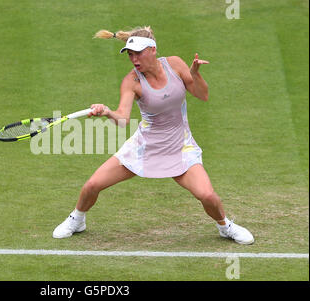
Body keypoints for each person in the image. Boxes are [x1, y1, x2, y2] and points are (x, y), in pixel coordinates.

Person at [53, 26, 254, 245]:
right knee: (92, 185)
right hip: (144, 147)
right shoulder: (132, 81)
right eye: (130, 54)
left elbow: (202, 95)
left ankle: (225, 226)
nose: (134, 59)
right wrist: (107, 112)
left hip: (180, 147)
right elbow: (123, 119)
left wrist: (194, 75)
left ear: (153, 50)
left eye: (138, 53)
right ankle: (77, 220)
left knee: (208, 196)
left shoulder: (175, 65)